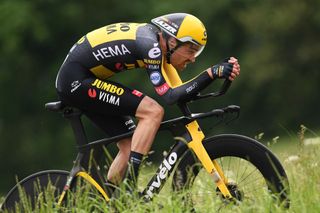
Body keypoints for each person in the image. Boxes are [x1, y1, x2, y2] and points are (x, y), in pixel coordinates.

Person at [55, 13, 240, 193]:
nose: (193, 58)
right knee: (152, 111)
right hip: (76, 82)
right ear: (173, 42)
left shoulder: (160, 46)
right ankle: (130, 188)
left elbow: (182, 92)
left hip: (85, 79)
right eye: (191, 50)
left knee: (129, 145)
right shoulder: (151, 46)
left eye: (197, 52)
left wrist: (217, 73)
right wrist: (211, 73)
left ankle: (113, 202)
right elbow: (170, 97)